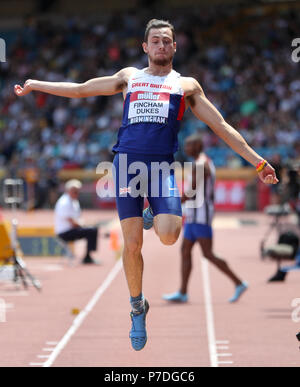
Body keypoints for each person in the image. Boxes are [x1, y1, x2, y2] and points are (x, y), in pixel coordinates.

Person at [14, 19, 279, 351]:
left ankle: (153, 213)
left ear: (175, 47)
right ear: (145, 47)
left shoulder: (186, 86)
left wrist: (257, 161)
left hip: (161, 168)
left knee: (169, 234)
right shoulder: (129, 77)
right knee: (133, 245)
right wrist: (36, 84)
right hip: (126, 166)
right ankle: (137, 307)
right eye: (155, 41)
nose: (161, 46)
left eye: (167, 41)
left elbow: (222, 126)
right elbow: (81, 89)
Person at [163, 134, 248, 304]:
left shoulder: (201, 164)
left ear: (197, 146)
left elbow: (192, 190)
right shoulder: (200, 162)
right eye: (185, 145)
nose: (186, 149)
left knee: (208, 254)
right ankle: (183, 292)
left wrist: (171, 202)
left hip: (202, 215)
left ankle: (239, 282)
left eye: (189, 146)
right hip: (194, 215)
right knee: (185, 251)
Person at [54, 179, 100, 265]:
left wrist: (84, 224)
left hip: (71, 229)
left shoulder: (74, 201)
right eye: (75, 191)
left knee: (92, 229)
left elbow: (77, 219)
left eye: (78, 191)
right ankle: (87, 257)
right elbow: (72, 222)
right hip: (64, 232)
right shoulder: (64, 202)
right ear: (69, 191)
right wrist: (84, 225)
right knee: (91, 231)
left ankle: (88, 255)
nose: (77, 193)